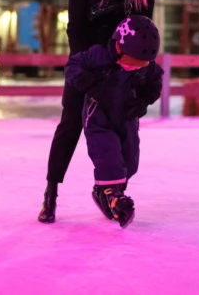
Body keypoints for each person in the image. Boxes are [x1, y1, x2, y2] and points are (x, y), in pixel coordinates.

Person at [39, 0, 157, 223]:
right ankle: (51, 193)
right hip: (88, 62)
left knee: (123, 131)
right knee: (70, 126)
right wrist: (89, 74)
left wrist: (140, 80)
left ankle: (109, 193)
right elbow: (75, 28)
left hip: (125, 68)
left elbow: (146, 30)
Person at [64, 15, 163, 227]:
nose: (135, 68)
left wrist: (143, 101)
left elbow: (155, 81)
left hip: (127, 116)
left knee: (130, 160)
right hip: (99, 116)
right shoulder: (98, 55)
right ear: (119, 46)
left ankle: (106, 191)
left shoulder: (145, 65)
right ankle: (114, 196)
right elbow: (73, 66)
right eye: (131, 64)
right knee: (108, 155)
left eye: (140, 66)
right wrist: (92, 86)